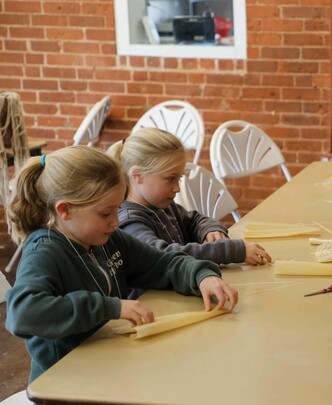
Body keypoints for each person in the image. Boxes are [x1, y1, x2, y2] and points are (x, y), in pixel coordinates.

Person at [5, 146, 238, 383]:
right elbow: (22, 313)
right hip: (64, 384)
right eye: (106, 213)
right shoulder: (44, 252)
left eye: (117, 208)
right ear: (65, 210)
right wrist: (111, 308)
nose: (116, 221)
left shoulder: (109, 239)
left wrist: (201, 276)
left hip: (111, 366)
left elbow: (163, 264)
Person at [107, 128, 272, 267]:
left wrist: (210, 230)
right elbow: (163, 255)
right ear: (138, 175)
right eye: (170, 178)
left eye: (178, 178)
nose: (177, 188)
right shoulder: (129, 222)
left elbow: (194, 220)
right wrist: (230, 251)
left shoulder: (163, 206)